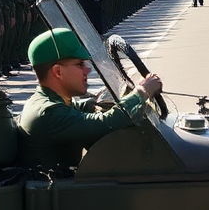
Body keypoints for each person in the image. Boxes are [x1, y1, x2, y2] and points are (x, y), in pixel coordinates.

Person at [18, 27, 161, 177]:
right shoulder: (48, 112)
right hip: (56, 195)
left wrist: (113, 97)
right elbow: (106, 124)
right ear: (58, 72)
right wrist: (142, 92)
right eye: (80, 64)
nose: (87, 70)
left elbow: (83, 107)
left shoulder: (53, 101)